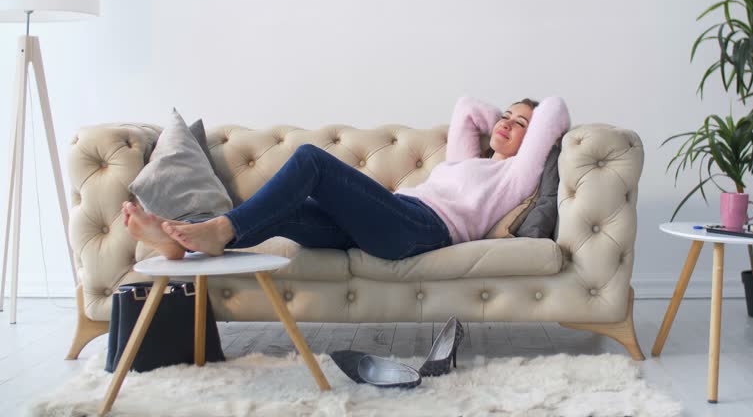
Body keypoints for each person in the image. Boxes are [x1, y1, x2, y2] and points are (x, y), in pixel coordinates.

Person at [122, 96, 570, 261]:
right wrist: (500, 121)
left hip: (423, 228)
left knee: (311, 161)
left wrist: (527, 123)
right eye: (506, 116)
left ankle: (221, 228)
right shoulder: (468, 161)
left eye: (522, 125)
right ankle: (181, 244)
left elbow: (555, 109)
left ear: (536, 141)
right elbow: (467, 108)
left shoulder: (515, 175)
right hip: (398, 218)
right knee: (287, 212)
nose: (506, 124)